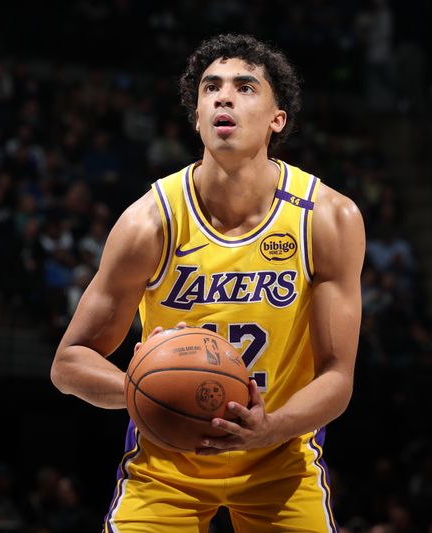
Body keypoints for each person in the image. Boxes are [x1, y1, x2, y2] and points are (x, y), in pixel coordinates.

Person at [50, 33, 365, 532]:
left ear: (276, 119)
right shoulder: (149, 222)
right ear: (197, 116)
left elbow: (337, 377)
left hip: (279, 460)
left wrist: (270, 430)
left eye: (245, 87)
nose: (223, 96)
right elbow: (68, 364)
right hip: (166, 467)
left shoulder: (327, 218)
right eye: (210, 87)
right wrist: (141, 392)